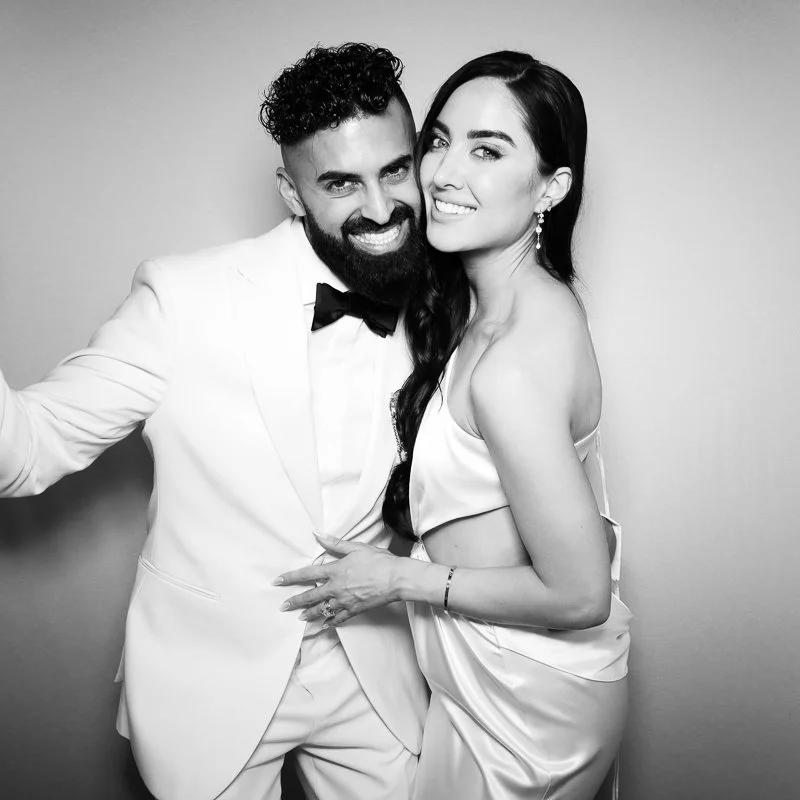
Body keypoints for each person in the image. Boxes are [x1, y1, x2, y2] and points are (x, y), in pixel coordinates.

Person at [0, 43, 430, 800]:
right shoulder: (183, 300)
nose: (380, 207)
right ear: (292, 192)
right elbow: (26, 452)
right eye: (340, 182)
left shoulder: (449, 297)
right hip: (209, 688)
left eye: (395, 169)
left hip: (377, 675)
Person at [277, 51, 632, 800]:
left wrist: (397, 579)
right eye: (438, 140)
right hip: (482, 676)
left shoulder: (513, 360)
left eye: (487, 151)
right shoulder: (513, 304)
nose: (442, 173)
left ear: (552, 187)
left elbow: (579, 596)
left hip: (521, 705)